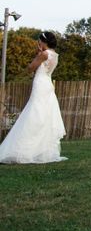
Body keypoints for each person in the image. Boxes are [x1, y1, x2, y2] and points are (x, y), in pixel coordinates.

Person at [0, 32, 67, 164]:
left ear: (44, 42)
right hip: (48, 84)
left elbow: (31, 68)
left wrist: (38, 54)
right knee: (44, 114)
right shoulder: (55, 55)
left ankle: (24, 149)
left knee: (34, 112)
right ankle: (40, 150)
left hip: (40, 83)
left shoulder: (44, 54)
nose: (39, 43)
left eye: (40, 41)